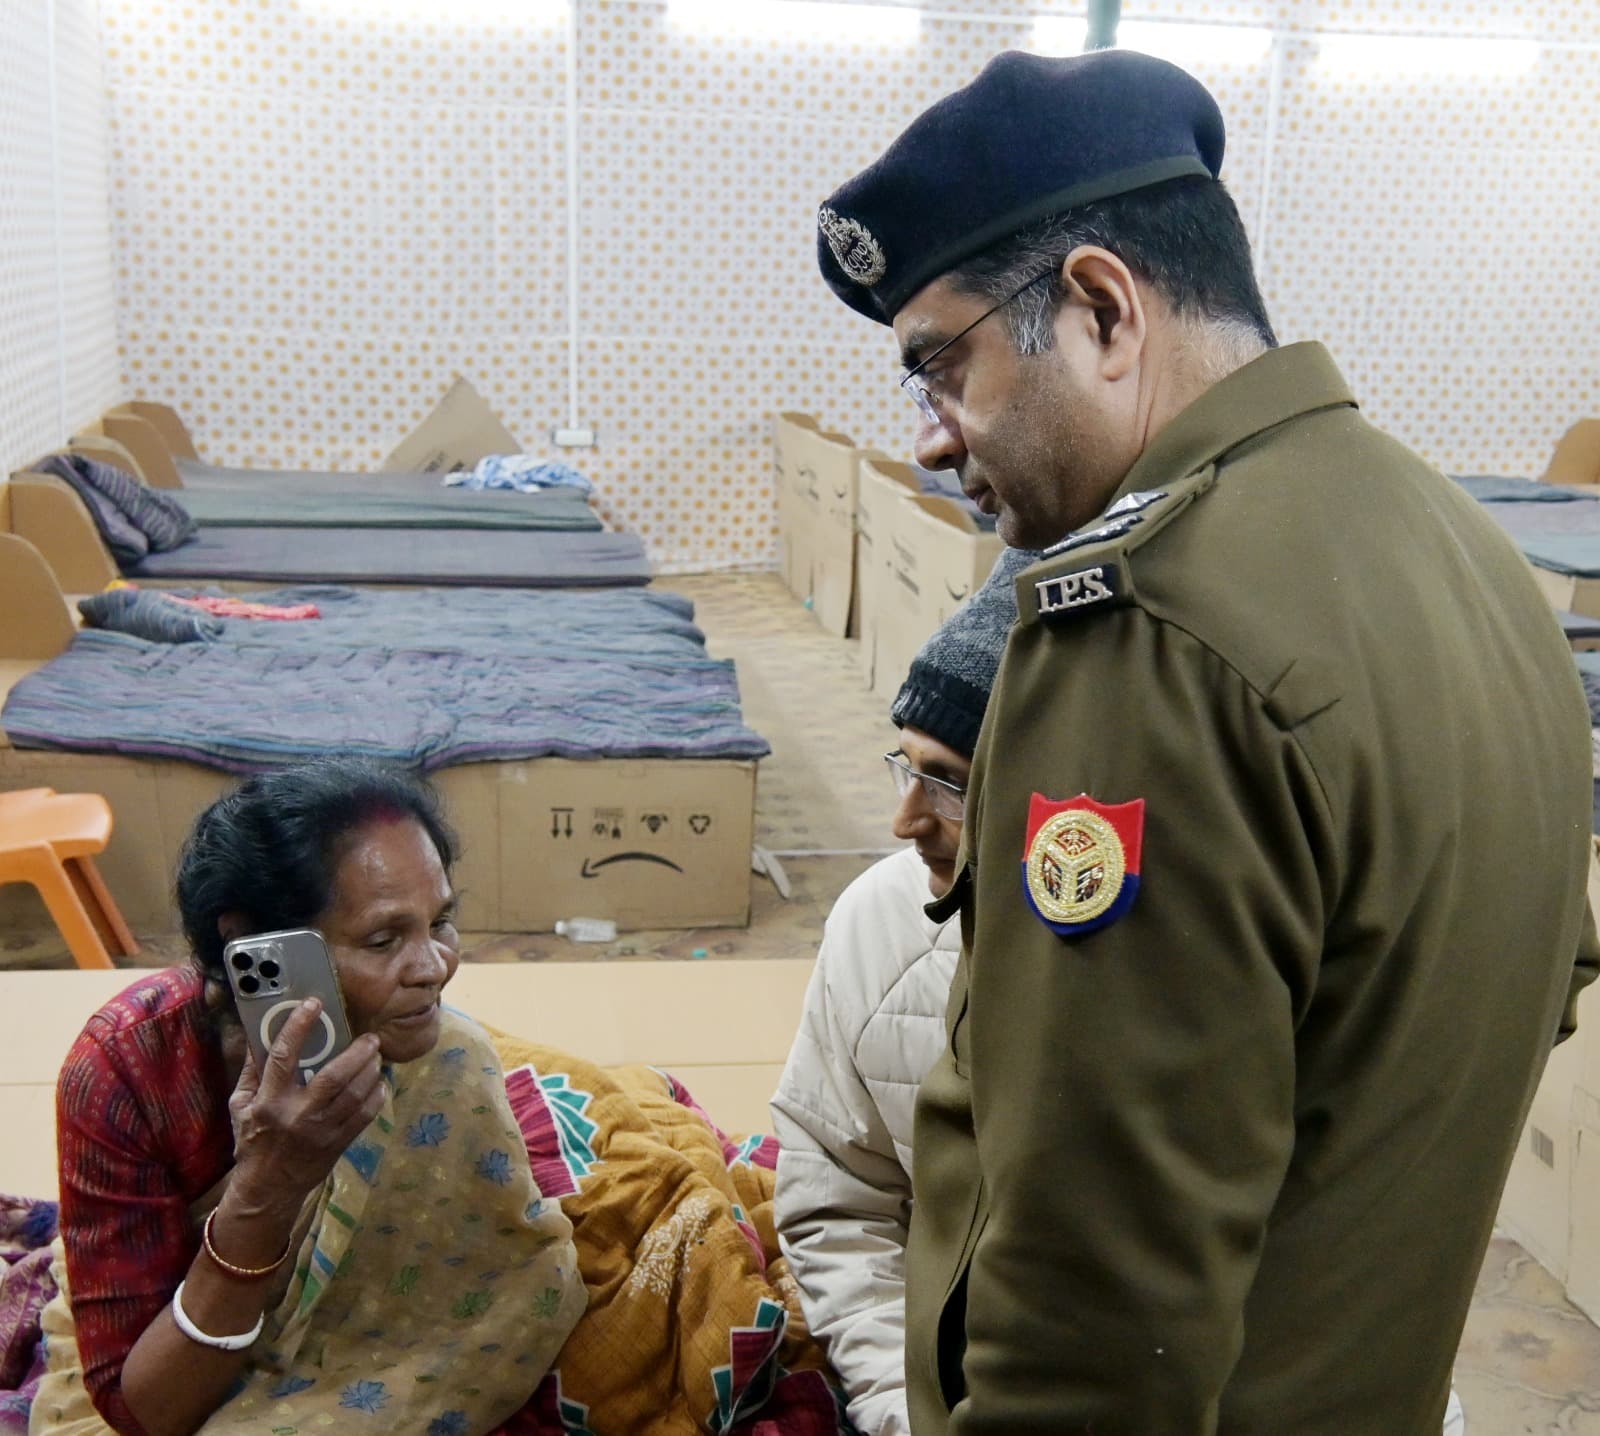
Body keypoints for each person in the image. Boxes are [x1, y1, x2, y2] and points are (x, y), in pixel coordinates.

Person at [814, 47, 1598, 1436]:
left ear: (1102, 308)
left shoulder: (1151, 638)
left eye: (943, 366)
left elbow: (1096, 1288)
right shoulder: (1466, 559)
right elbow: (1536, 977)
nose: (933, 440)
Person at [32, 758, 586, 1436]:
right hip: (184, 1354)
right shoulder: (127, 1074)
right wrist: (267, 1189)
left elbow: (508, 1288)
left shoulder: (444, 1063)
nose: (434, 968)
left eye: (440, 921)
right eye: (383, 939)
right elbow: (143, 1410)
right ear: (255, 945)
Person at [771, 545, 1035, 1436]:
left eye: (950, 784)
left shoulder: (1188, 955)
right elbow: (838, 1197)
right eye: (906, 765)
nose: (904, 820)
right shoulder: (880, 924)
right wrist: (902, 1405)